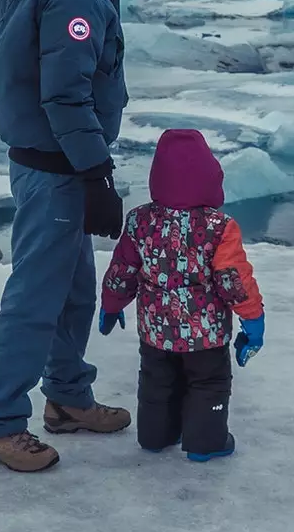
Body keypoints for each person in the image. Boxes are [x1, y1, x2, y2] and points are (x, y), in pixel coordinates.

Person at [0, 0, 133, 473]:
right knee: (37, 295)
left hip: (44, 156)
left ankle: (67, 398)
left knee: (72, 290)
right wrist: (95, 174)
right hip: (60, 162)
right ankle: (1, 424)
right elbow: (65, 92)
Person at [98, 128, 264, 462]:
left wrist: (112, 304)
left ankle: (155, 435)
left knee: (157, 382)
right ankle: (207, 442)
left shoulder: (140, 221)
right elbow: (231, 278)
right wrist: (253, 317)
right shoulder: (219, 226)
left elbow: (123, 268)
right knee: (208, 383)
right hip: (206, 334)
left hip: (156, 329)